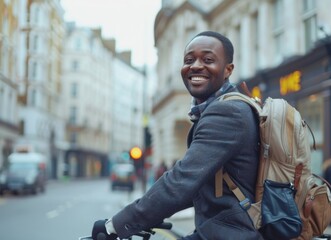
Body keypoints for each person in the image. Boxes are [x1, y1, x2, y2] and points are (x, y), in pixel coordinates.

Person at [91, 31, 262, 240]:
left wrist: (116, 225)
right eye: (189, 60)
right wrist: (151, 214)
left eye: (208, 59)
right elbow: (194, 187)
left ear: (228, 69)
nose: (196, 66)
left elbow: (181, 180)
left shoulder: (227, 112)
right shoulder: (222, 108)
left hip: (233, 233)